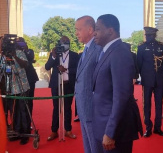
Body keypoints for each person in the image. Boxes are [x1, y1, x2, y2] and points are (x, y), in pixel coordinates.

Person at [93, 14, 143, 153]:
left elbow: (121, 96)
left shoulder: (119, 52)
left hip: (116, 130)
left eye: (97, 29)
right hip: (103, 123)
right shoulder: (107, 51)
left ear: (110, 30)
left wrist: (110, 132)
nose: (94, 33)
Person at [74, 15, 102, 153]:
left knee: (95, 146)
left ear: (90, 29)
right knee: (88, 147)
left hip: (92, 108)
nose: (76, 33)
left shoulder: (98, 50)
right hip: (83, 107)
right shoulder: (86, 49)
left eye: (79, 29)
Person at [45, 36, 79, 141]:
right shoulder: (55, 54)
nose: (65, 43)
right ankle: (54, 131)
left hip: (69, 85)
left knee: (67, 108)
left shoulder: (74, 55)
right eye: (63, 42)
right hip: (56, 85)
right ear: (59, 43)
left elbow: (78, 69)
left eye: (67, 42)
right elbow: (47, 67)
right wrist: (54, 56)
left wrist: (66, 70)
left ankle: (68, 130)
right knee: (56, 108)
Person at [137, 26, 163, 137]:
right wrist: (143, 76)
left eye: (150, 35)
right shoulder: (142, 47)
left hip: (159, 80)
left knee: (159, 105)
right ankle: (148, 127)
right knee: (147, 105)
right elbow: (138, 64)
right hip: (147, 80)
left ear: (155, 35)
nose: (148, 37)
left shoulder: (161, 47)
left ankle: (158, 128)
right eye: (147, 35)